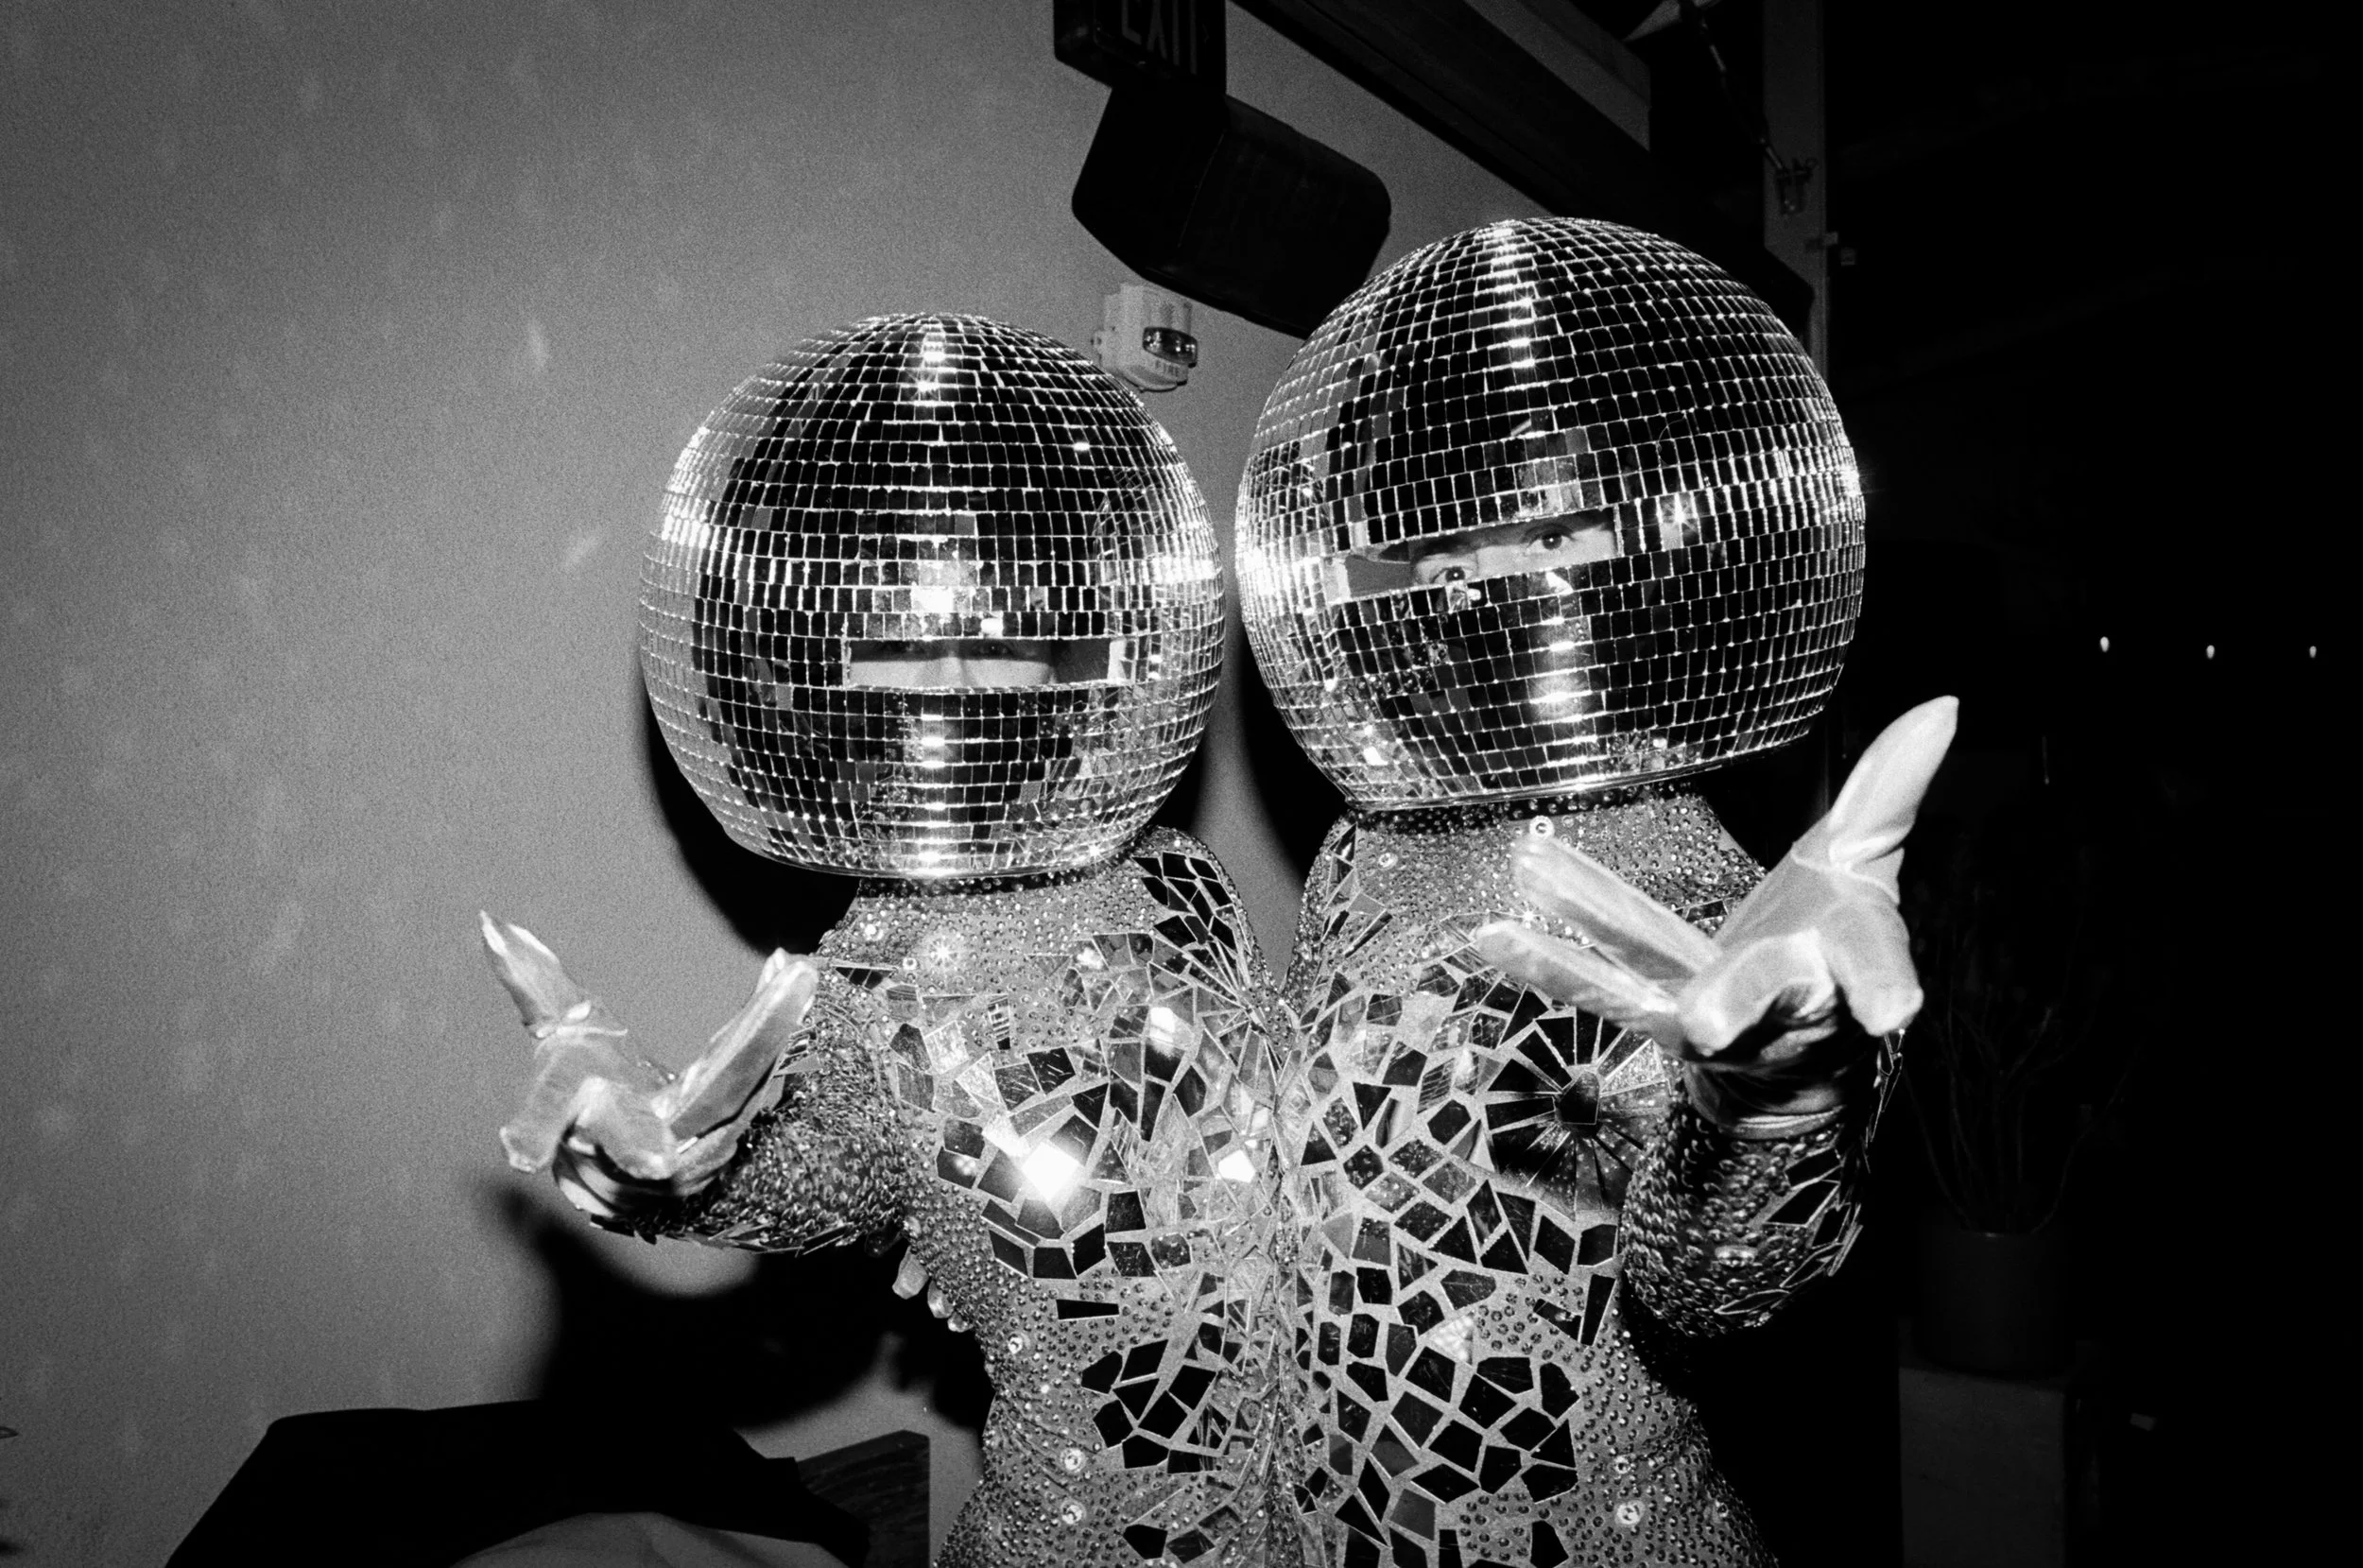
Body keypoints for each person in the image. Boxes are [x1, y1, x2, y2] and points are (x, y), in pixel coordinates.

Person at [484, 315, 1308, 1568]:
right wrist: (663, 1159)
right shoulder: (874, 983)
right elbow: (813, 1163)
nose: (963, 672)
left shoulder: (1184, 878)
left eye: (1010, 633)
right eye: (903, 648)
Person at [1234, 216, 1943, 1567]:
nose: (1511, 578)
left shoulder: (1711, 905)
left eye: (1560, 530)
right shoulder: (1361, 849)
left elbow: (1707, 1287)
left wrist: (1773, 1109)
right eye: (1453, 542)